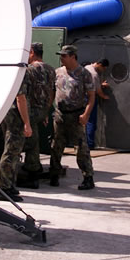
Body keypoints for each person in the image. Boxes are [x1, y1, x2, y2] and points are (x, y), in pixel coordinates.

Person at [49, 44, 96, 190]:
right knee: (56, 146)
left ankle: (88, 177)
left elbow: (91, 97)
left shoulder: (84, 74)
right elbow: (52, 92)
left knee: (81, 148)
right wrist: (48, 110)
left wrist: (86, 115)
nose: (61, 58)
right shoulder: (58, 72)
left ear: (73, 57)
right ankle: (54, 174)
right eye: (61, 56)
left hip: (76, 115)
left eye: (64, 56)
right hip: (60, 115)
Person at [19, 42, 56, 188]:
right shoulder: (51, 70)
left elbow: (23, 94)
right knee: (34, 140)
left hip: (30, 111)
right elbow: (52, 92)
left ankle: (31, 170)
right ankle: (33, 168)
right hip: (42, 110)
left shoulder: (29, 70)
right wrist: (46, 110)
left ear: (32, 52)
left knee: (27, 142)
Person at [0, 66, 33, 202]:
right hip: (16, 117)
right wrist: (27, 123)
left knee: (12, 152)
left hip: (7, 114)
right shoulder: (20, 72)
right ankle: (3, 188)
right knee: (11, 152)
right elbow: (20, 98)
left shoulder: (9, 69)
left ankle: (8, 184)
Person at [84, 59, 110, 149]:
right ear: (100, 64)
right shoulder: (94, 74)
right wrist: (104, 96)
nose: (103, 70)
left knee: (83, 120)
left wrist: (100, 84)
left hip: (81, 97)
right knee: (91, 121)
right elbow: (98, 91)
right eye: (104, 68)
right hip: (89, 97)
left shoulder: (86, 68)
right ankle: (90, 144)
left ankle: (82, 143)